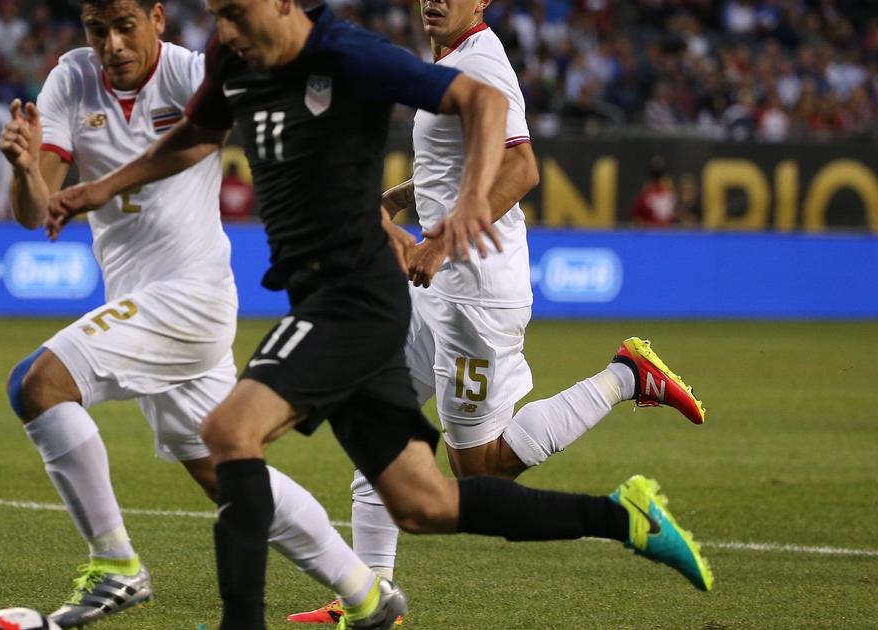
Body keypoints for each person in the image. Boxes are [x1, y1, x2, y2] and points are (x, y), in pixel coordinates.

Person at [46, 1, 714, 628]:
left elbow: (480, 105)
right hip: (330, 298)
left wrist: (468, 206)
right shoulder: (232, 56)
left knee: (229, 432)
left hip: (357, 302)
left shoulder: (348, 54)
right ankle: (622, 518)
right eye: (219, 16)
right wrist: (97, 189)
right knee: (424, 500)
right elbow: (198, 131)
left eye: (239, 14)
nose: (228, 31)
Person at [289, 1, 708, 623]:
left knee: (479, 469)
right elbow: (455, 165)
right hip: (442, 287)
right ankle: (372, 596)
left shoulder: (482, 59)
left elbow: (521, 166)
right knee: (376, 414)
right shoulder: (452, 58)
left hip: (475, 291)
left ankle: (626, 377)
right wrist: (401, 199)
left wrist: (437, 241)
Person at [0, 0, 395, 626]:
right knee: (225, 472)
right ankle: (367, 594)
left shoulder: (191, 74)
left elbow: (298, 135)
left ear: (157, 18)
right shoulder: (71, 79)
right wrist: (24, 172)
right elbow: (34, 211)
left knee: (38, 383)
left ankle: (116, 564)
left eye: (125, 26)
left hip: (191, 296)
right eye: (97, 30)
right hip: (138, 304)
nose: (112, 45)